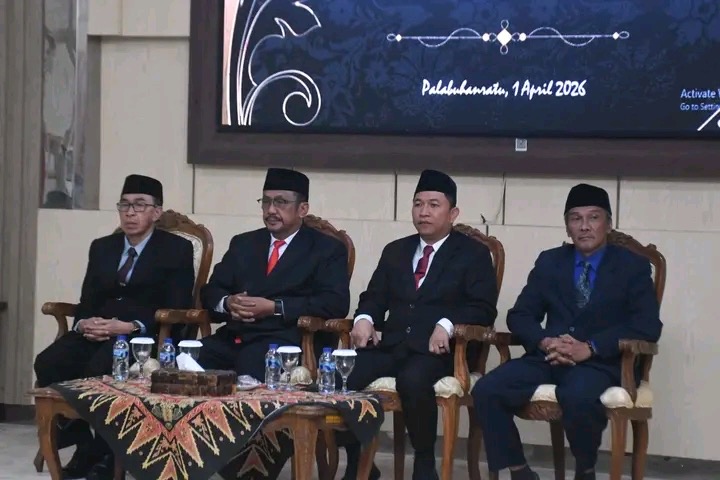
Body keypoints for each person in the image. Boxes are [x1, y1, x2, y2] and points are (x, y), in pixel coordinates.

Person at [472, 184, 663, 480]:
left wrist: (591, 347)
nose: (585, 226)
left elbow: (648, 325)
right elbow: (520, 314)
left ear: (608, 223)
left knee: (577, 394)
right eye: (576, 218)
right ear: (567, 226)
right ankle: (521, 472)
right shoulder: (550, 262)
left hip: (602, 363)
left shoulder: (632, 266)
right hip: (549, 356)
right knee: (486, 390)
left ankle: (585, 471)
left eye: (594, 217)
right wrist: (544, 341)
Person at [33, 174, 195, 480]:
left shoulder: (176, 249)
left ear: (156, 212)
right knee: (49, 362)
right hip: (97, 330)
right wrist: (84, 323)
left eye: (140, 205)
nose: (130, 213)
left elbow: (178, 304)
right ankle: (85, 444)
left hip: (142, 336)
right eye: (125, 205)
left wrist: (130, 325)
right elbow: (87, 300)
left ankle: (109, 453)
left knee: (100, 367)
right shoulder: (102, 247)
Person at [340, 169, 498, 480]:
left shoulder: (473, 254)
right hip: (392, 345)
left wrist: (447, 324)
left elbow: (483, 307)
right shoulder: (396, 250)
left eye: (433, 205)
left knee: (413, 379)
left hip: (440, 353)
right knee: (340, 375)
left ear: (453, 213)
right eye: (418, 204)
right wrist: (364, 319)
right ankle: (359, 461)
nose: (423, 212)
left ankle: (424, 463)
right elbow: (374, 296)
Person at [198, 167, 350, 381]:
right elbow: (211, 290)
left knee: (250, 364)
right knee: (186, 359)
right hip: (236, 337)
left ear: (302, 209)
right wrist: (228, 303)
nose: (271, 210)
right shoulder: (243, 243)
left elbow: (335, 302)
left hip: (288, 340)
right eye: (266, 202)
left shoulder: (326, 249)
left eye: (281, 202)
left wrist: (275, 307)